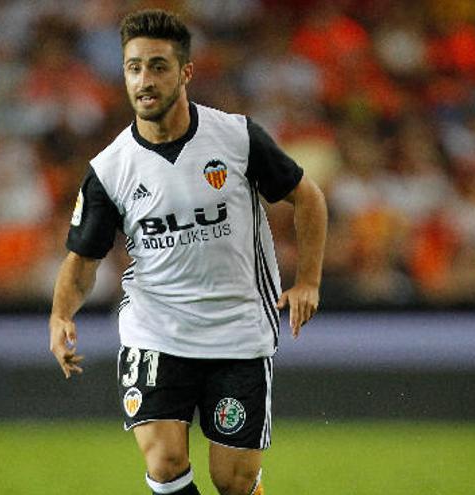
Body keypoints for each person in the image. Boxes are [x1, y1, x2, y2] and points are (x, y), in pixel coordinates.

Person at [48, 9, 327, 495]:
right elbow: (82, 261)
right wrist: (60, 315)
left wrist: (308, 282)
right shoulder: (111, 169)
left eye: (158, 66)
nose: (144, 80)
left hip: (238, 330)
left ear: (185, 73)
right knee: (164, 460)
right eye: (134, 67)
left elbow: (309, 197)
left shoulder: (236, 138)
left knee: (234, 482)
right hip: (156, 329)